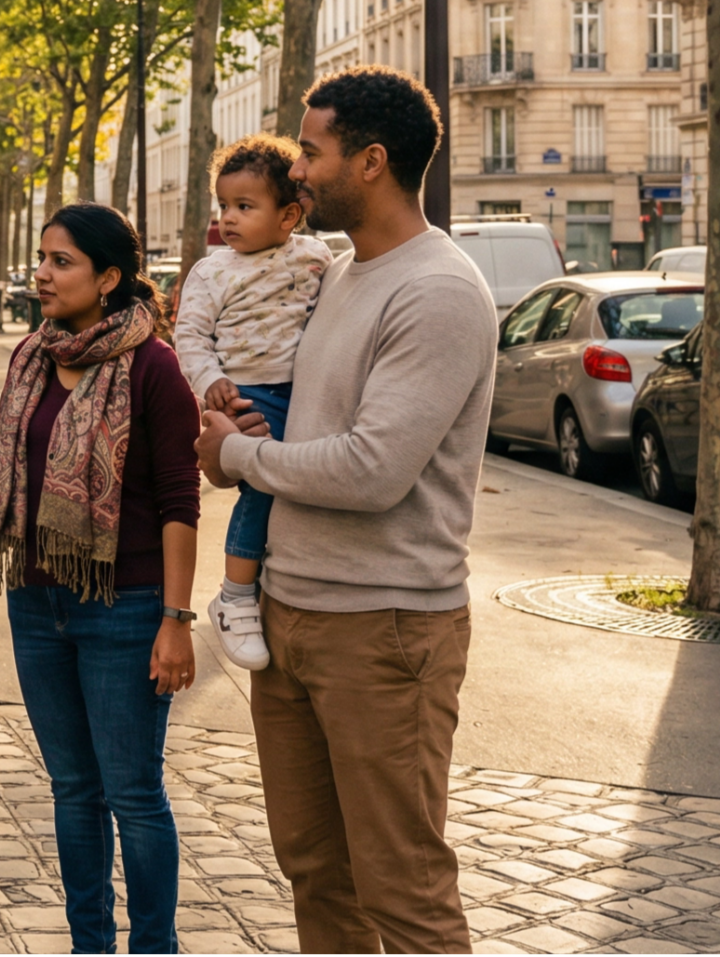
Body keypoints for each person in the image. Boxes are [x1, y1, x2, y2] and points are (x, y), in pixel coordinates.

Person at [192, 66, 495, 954]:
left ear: (371, 161)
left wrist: (242, 453)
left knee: (401, 886)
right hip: (293, 616)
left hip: (386, 628)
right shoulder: (336, 277)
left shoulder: (434, 289)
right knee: (317, 870)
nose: (298, 174)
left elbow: (373, 470)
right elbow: (300, 425)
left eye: (313, 154)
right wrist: (235, 434)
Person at [0, 203, 202, 954]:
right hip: (38, 601)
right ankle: (89, 944)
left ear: (107, 277)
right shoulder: (33, 355)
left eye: (61, 260)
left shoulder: (153, 367)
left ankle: (154, 946)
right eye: (41, 257)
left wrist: (175, 617)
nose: (41, 272)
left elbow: (180, 501)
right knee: (74, 790)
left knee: (133, 794)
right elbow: (17, 478)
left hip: (127, 606)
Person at [172, 136, 330, 672]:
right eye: (224, 206)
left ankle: (263, 583)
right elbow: (189, 334)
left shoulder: (317, 257)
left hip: (304, 393)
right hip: (246, 392)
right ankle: (235, 596)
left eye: (245, 206)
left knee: (295, 488)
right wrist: (210, 380)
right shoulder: (212, 270)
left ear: (289, 216)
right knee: (265, 487)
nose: (228, 219)